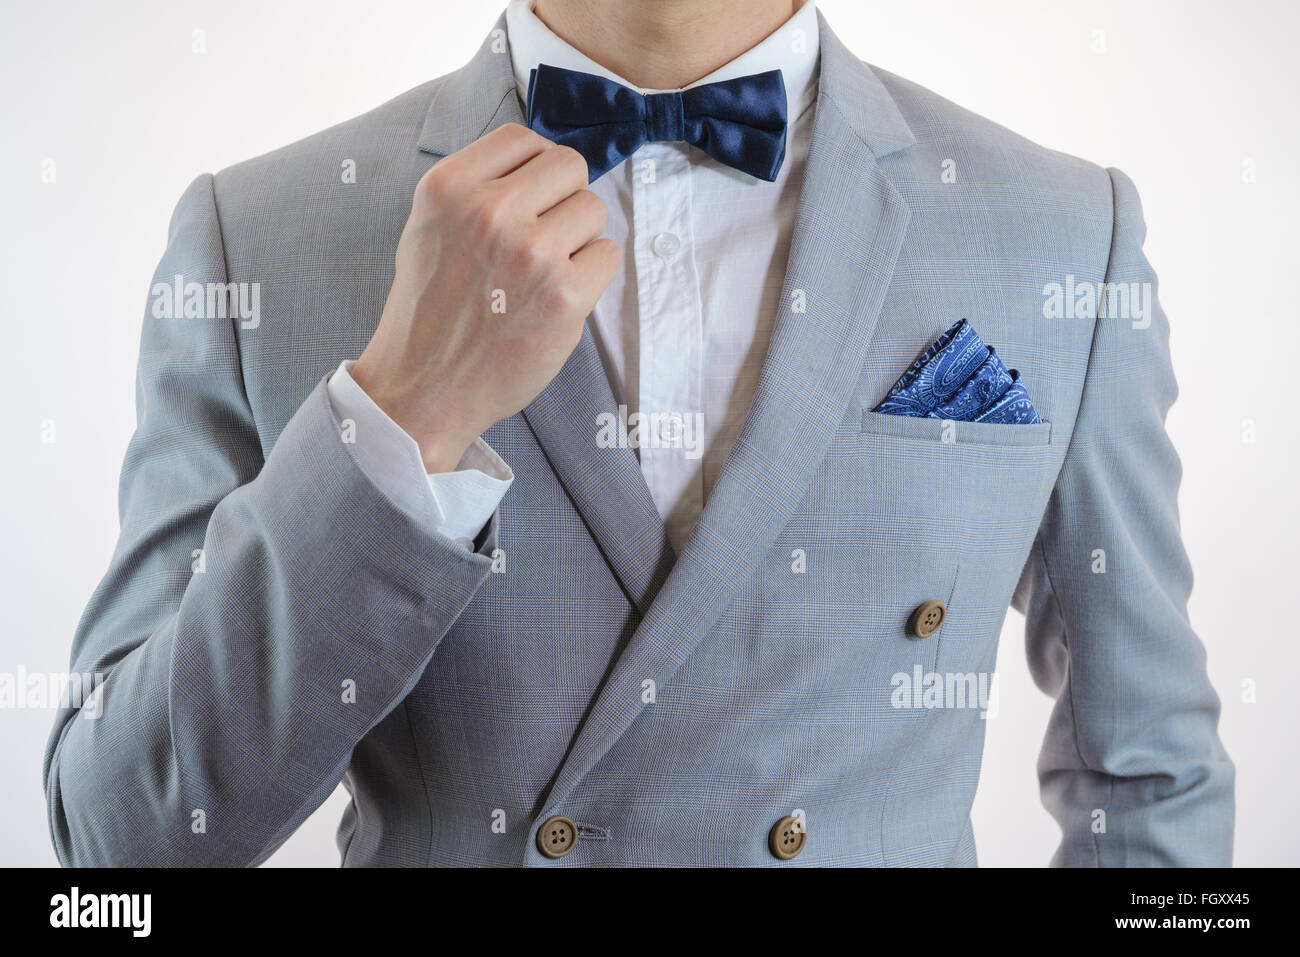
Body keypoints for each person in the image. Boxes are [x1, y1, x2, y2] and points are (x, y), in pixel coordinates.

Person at [44, 0, 1233, 866]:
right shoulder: (256, 237)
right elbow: (115, 850)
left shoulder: (1064, 232)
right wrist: (405, 410)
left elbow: (1152, 780)